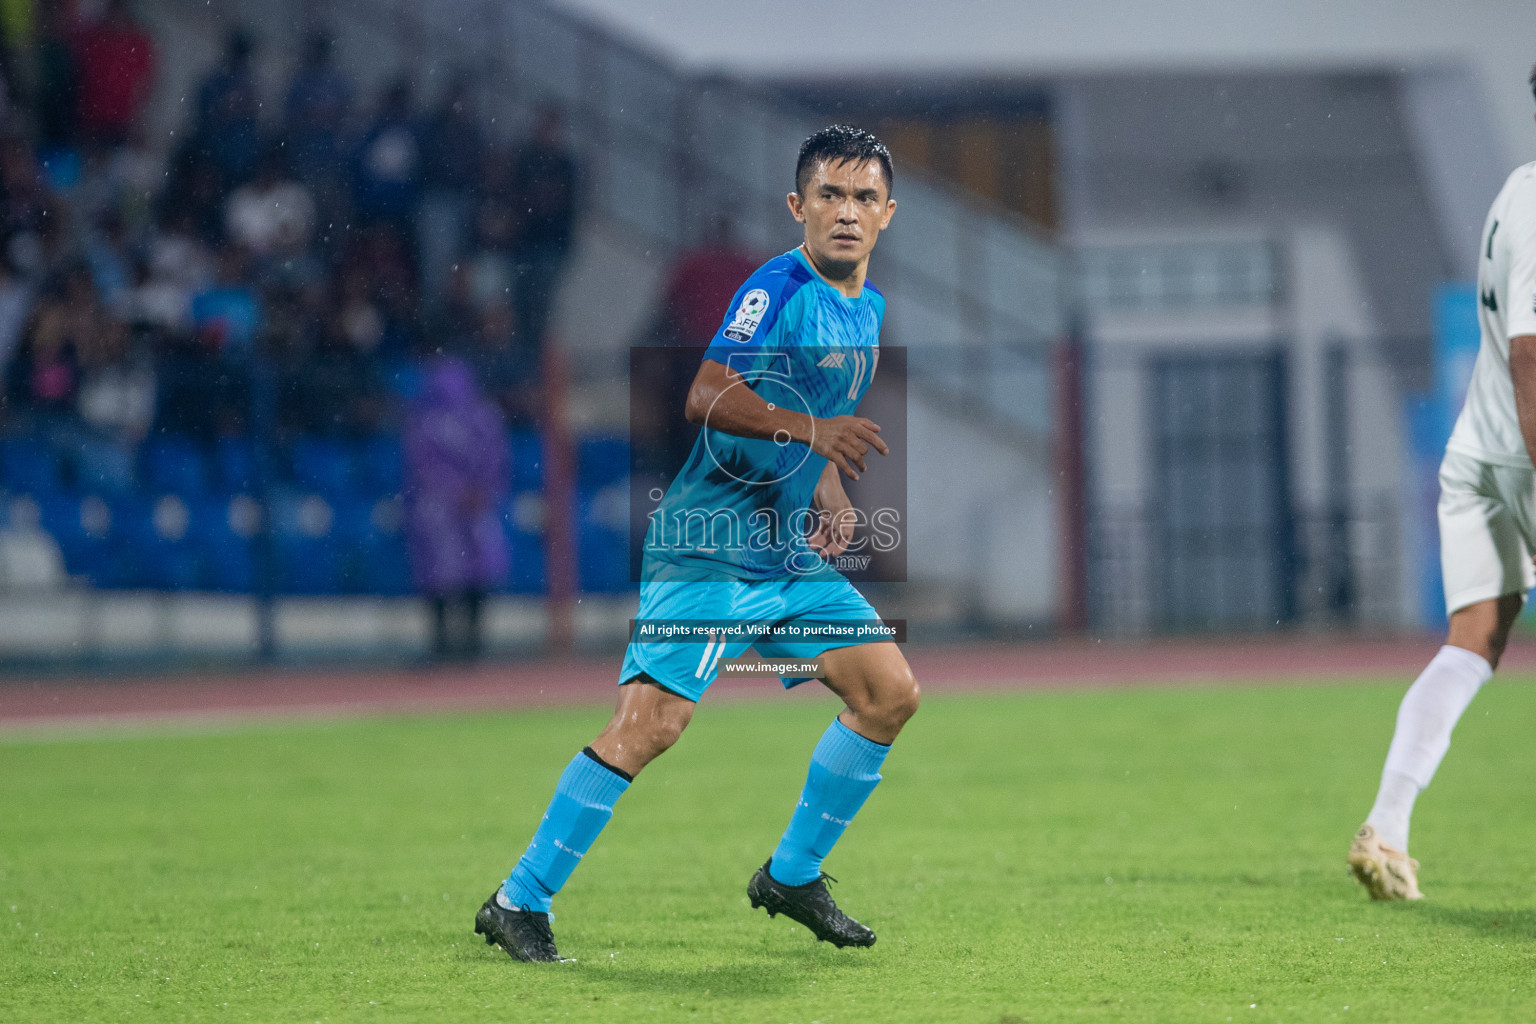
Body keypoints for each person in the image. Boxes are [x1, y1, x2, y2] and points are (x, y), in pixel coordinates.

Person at [474, 124, 916, 962]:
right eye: (830, 194)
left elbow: (801, 407)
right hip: (707, 545)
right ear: (799, 206)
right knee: (652, 724)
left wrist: (824, 482)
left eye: (864, 197)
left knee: (889, 692)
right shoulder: (776, 285)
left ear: (887, 214)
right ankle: (517, 899)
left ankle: (791, 877)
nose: (847, 212)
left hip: (782, 553)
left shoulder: (869, 307)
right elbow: (707, 393)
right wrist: (816, 432)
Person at [1347, 67, 1536, 901]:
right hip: (1522, 459)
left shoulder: (1515, 190)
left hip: (1481, 455)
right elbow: (1531, 353)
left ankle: (1386, 826)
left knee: (1474, 640)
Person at [402, 356, 508, 659]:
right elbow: (422, 465)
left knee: (481, 568)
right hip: (438, 509)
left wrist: (481, 491)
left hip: (477, 506)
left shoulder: (483, 417)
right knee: (438, 573)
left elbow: (495, 460)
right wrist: (455, 491)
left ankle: (473, 644)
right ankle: (441, 644)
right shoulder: (424, 420)